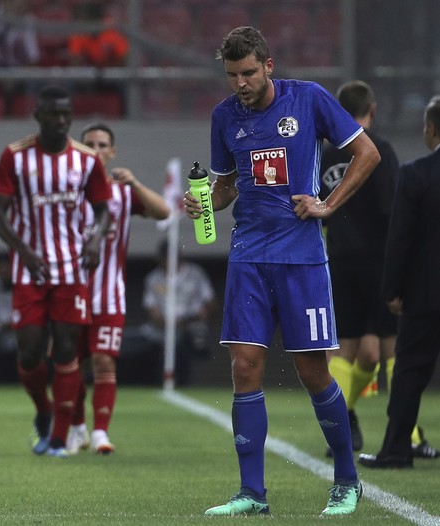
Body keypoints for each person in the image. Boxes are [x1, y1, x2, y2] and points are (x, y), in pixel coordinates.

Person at [183, 27, 380, 517]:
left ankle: (347, 481)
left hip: (301, 256)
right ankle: (252, 493)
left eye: (248, 73)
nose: (241, 84)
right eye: (232, 76)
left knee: (313, 370)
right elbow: (227, 186)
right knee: (244, 366)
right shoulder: (224, 116)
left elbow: (367, 153)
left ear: (268, 65)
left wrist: (327, 204)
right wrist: (204, 200)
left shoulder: (307, 99)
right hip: (248, 254)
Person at [0, 85, 113, 458]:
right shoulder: (15, 157)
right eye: (53, 114)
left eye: (66, 115)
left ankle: (59, 439)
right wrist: (24, 251)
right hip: (31, 271)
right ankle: (44, 410)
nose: (60, 121)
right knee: (29, 352)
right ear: (39, 116)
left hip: (71, 271)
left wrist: (93, 241)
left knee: (65, 350)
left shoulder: (87, 160)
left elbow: (104, 209)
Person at [319, 80, 436, 458]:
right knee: (390, 347)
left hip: (338, 261)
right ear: (372, 109)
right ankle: (411, 436)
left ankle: (339, 428)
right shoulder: (379, 150)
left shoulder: (322, 156)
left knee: (347, 348)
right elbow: (395, 213)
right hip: (378, 261)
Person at [65, 122, 170, 456]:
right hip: (70, 294)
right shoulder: (65, 190)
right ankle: (77, 429)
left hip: (109, 297)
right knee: (69, 364)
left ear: (112, 152)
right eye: (89, 144)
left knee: (104, 362)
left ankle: (99, 433)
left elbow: (164, 211)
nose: (96, 150)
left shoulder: (122, 193)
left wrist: (136, 183)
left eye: (102, 145)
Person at [358, 95, 440, 469]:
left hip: (426, 296)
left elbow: (401, 238)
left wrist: (392, 290)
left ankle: (396, 450)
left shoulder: (416, 173)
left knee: (408, 373)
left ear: (432, 130)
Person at [140, 239, 215, 386]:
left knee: (194, 337)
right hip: (162, 328)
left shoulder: (196, 274)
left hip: (190, 325)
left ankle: (189, 381)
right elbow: (152, 310)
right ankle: (158, 381)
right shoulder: (153, 278)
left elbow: (210, 303)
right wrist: (168, 323)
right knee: (149, 342)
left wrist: (196, 317)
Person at [67, 2, 129, 69]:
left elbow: (124, 57)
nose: (87, 23)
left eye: (90, 19)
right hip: (90, 72)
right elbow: (74, 59)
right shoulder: (80, 31)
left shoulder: (112, 29)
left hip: (112, 71)